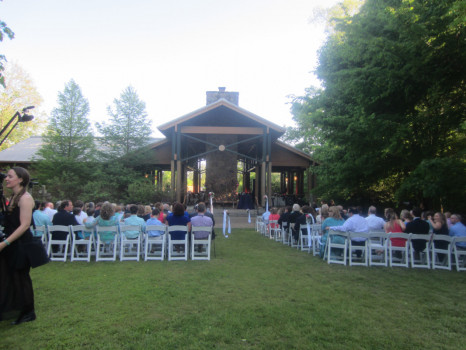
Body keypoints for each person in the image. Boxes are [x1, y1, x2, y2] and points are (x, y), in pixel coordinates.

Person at [0, 167, 37, 324]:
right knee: (12, 277)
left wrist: (4, 243)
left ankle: (28, 312)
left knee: (21, 278)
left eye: (10, 176)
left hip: (21, 244)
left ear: (20, 179)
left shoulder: (25, 198)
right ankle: (16, 309)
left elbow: (24, 225)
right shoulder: (14, 197)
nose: (6, 179)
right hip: (12, 243)